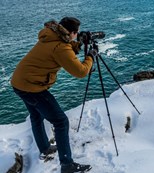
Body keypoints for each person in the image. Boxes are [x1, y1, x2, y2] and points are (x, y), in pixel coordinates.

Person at [11, 17, 97, 173]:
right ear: (71, 33)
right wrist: (90, 56)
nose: (77, 36)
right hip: (31, 86)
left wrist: (79, 44)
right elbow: (81, 71)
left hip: (19, 81)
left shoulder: (51, 35)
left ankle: (45, 148)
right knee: (61, 121)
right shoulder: (60, 47)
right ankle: (67, 165)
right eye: (76, 34)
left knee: (36, 116)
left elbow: (66, 47)